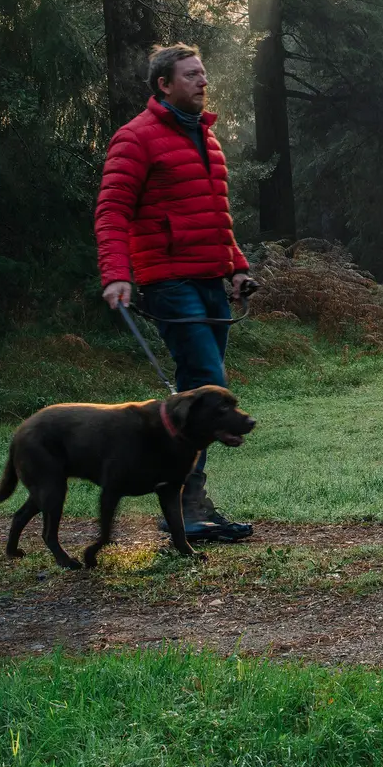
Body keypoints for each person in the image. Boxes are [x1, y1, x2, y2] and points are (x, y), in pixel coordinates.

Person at [96, 43, 257, 543]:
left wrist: (237, 267)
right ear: (164, 84)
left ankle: (189, 501)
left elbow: (215, 217)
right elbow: (113, 211)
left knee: (201, 389)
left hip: (210, 281)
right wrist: (116, 274)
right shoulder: (135, 138)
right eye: (191, 75)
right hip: (168, 282)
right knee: (206, 383)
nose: (202, 81)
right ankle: (184, 506)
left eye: (203, 74)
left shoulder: (207, 139)